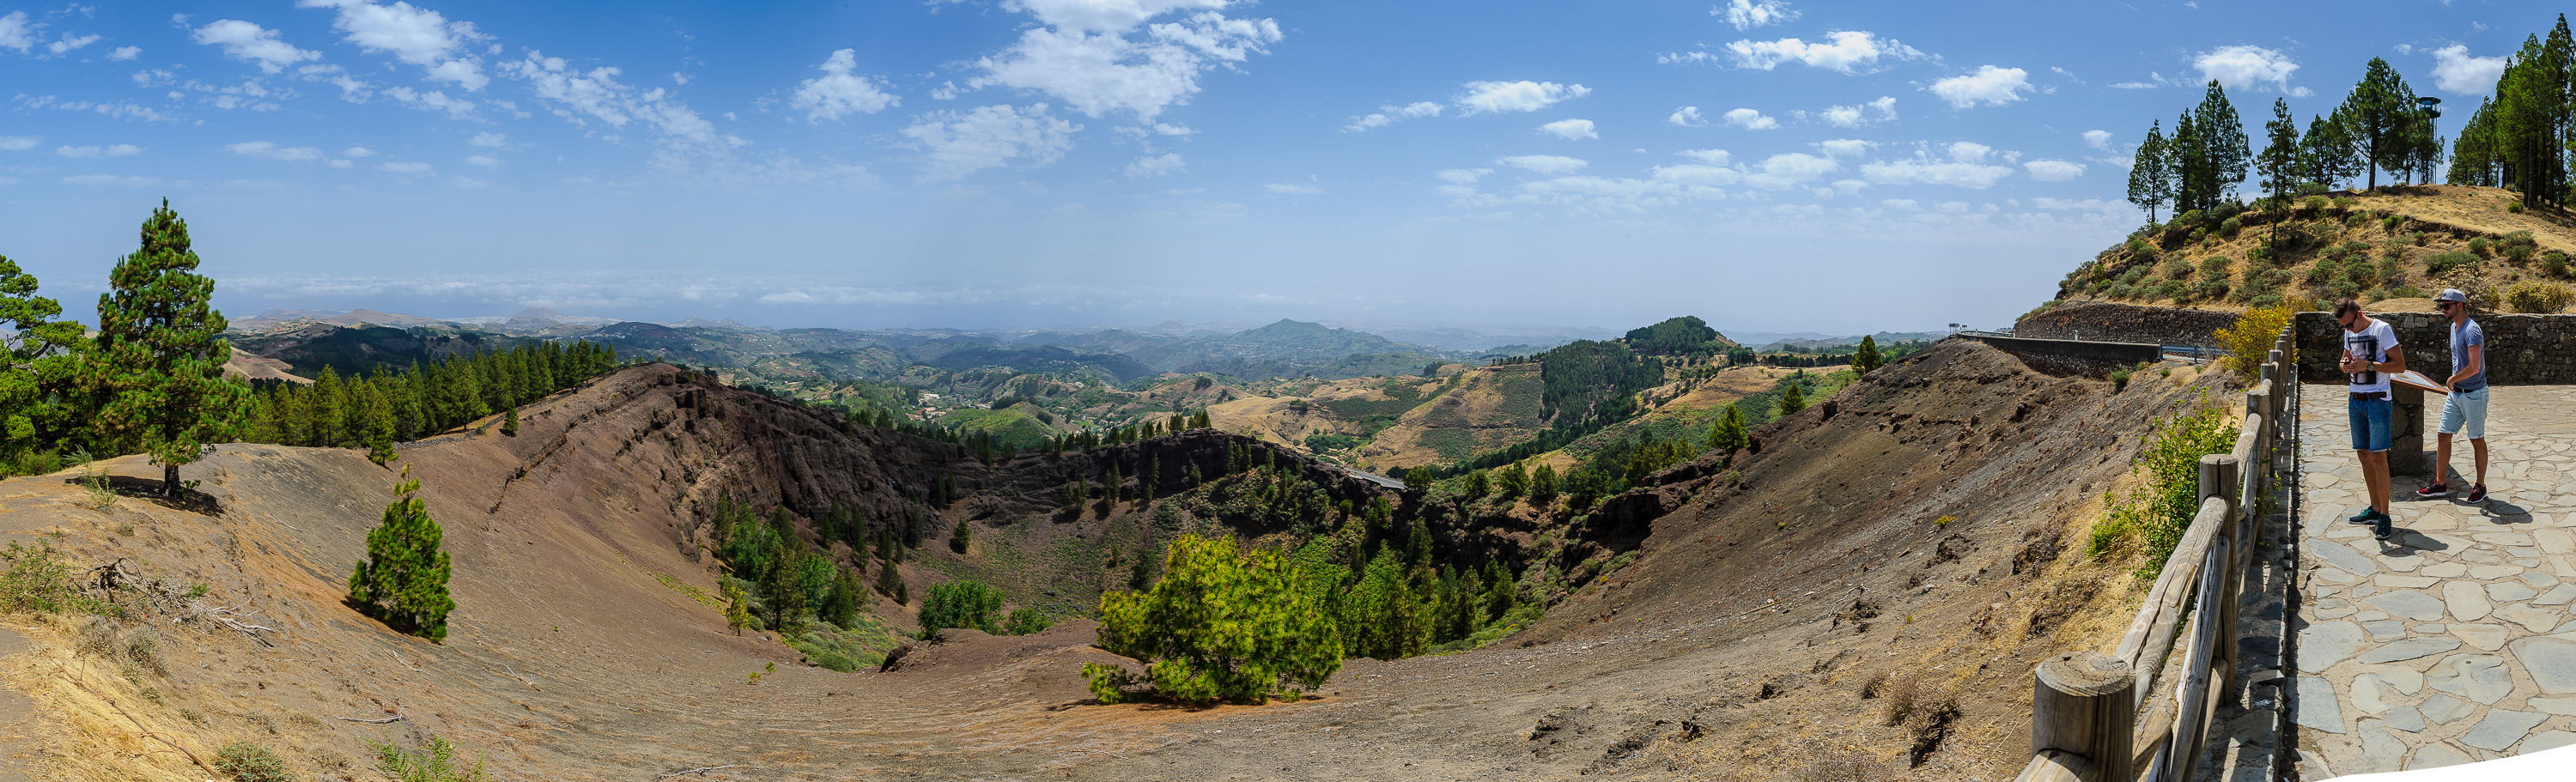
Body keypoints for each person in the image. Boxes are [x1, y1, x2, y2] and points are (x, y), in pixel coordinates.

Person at [2336, 300, 2405, 541]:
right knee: (2363, 453)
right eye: (2344, 327)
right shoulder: (2349, 332)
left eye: (2350, 325)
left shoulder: (2382, 330)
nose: (2348, 330)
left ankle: (2385, 515)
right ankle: (2374, 508)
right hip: (2355, 400)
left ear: (2360, 314)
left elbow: (2400, 365)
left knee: (2378, 457)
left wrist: (2369, 365)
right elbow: (2344, 359)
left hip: (2378, 401)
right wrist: (2345, 366)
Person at [2417, 288, 2488, 503]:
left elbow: (2475, 367)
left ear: (2460, 305)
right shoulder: (2453, 327)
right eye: (2441, 306)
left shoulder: (2472, 331)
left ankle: (2480, 485)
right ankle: (2440, 483)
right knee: (2443, 434)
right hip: (2456, 394)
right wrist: (2455, 383)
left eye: (2446, 306)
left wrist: (2452, 379)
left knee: (2476, 439)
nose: (2442, 309)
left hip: (2474, 394)